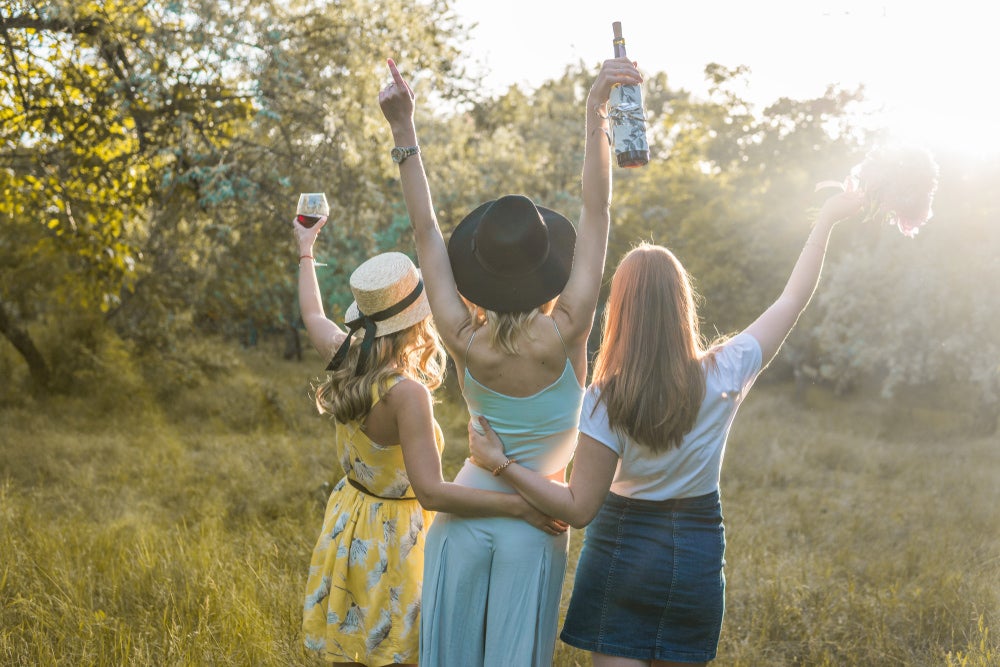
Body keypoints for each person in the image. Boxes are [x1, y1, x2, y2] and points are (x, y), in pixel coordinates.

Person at [469, 191, 865, 666]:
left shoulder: (605, 398)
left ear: (621, 309)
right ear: (682, 304)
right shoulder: (727, 369)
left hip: (620, 549)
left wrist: (502, 464)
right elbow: (793, 298)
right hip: (695, 547)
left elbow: (577, 508)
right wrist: (824, 222)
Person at [377, 55, 643, 666]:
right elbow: (597, 213)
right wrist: (593, 112)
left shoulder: (463, 338)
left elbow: (424, 230)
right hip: (538, 521)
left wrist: (403, 130)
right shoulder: (568, 328)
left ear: (481, 269)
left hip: (466, 510)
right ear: (545, 267)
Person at [294, 219, 566, 666]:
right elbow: (432, 492)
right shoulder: (407, 393)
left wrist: (306, 249)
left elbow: (312, 315)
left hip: (349, 520)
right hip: (393, 539)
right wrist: (520, 506)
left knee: (353, 648)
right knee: (394, 651)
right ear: (417, 319)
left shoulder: (345, 356)